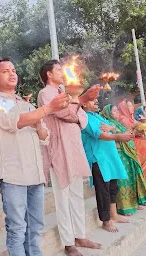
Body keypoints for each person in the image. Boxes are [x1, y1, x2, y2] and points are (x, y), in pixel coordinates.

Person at [0, 58, 70, 256]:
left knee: (36, 227)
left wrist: (39, 125)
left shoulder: (27, 104)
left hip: (35, 176)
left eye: (13, 69)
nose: (12, 73)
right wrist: (48, 109)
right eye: (5, 71)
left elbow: (45, 136)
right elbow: (13, 121)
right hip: (14, 175)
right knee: (16, 229)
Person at [37, 60, 101, 256]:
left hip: (73, 148)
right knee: (62, 197)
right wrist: (78, 104)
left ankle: (80, 235)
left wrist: (75, 108)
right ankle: (68, 243)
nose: (62, 74)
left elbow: (82, 118)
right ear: (49, 74)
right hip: (59, 148)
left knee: (76, 194)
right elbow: (64, 113)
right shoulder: (45, 93)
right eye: (58, 70)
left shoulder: (66, 92)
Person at [81, 98, 132, 233]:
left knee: (113, 186)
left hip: (109, 156)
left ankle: (114, 215)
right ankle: (106, 220)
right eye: (92, 100)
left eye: (96, 100)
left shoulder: (97, 116)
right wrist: (118, 137)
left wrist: (111, 127)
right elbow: (99, 135)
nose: (96, 101)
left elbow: (113, 126)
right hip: (99, 157)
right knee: (103, 189)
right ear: (84, 103)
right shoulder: (85, 117)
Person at [101, 105, 146, 215]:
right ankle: (124, 207)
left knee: (131, 179)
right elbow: (114, 135)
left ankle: (133, 204)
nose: (117, 112)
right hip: (119, 154)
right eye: (114, 111)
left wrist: (131, 131)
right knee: (123, 181)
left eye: (117, 110)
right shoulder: (107, 123)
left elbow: (126, 133)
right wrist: (114, 130)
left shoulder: (117, 123)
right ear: (108, 113)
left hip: (128, 154)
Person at [118, 100, 146, 201]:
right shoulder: (123, 119)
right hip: (136, 146)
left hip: (144, 144)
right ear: (124, 108)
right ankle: (145, 194)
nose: (132, 108)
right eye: (130, 106)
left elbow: (143, 127)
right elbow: (133, 132)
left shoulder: (132, 118)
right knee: (142, 169)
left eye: (132, 106)